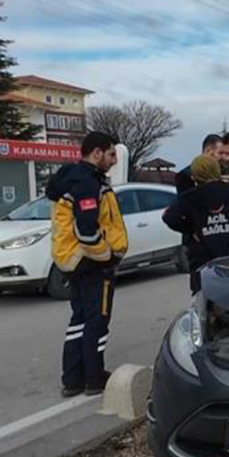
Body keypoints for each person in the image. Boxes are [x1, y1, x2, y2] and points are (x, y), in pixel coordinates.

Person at [47, 132, 129, 397]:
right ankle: (94, 378)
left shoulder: (72, 179)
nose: (114, 160)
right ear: (96, 153)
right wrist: (107, 257)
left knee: (79, 320)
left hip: (73, 262)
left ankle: (72, 380)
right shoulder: (87, 184)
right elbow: (87, 232)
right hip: (91, 264)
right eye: (111, 154)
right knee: (97, 321)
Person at [163, 154, 229, 292]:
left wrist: (191, 230)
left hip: (203, 264)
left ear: (194, 176)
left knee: (203, 305)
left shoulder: (188, 198)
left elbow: (169, 217)